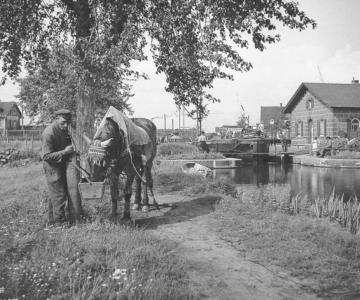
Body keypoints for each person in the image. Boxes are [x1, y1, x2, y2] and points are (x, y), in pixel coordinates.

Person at [42, 109, 75, 225]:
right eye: (63, 122)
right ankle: (60, 224)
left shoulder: (64, 129)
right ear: (56, 119)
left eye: (68, 123)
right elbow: (46, 156)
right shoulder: (49, 132)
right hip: (52, 167)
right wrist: (65, 152)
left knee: (55, 195)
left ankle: (51, 221)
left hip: (60, 165)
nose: (66, 126)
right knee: (59, 195)